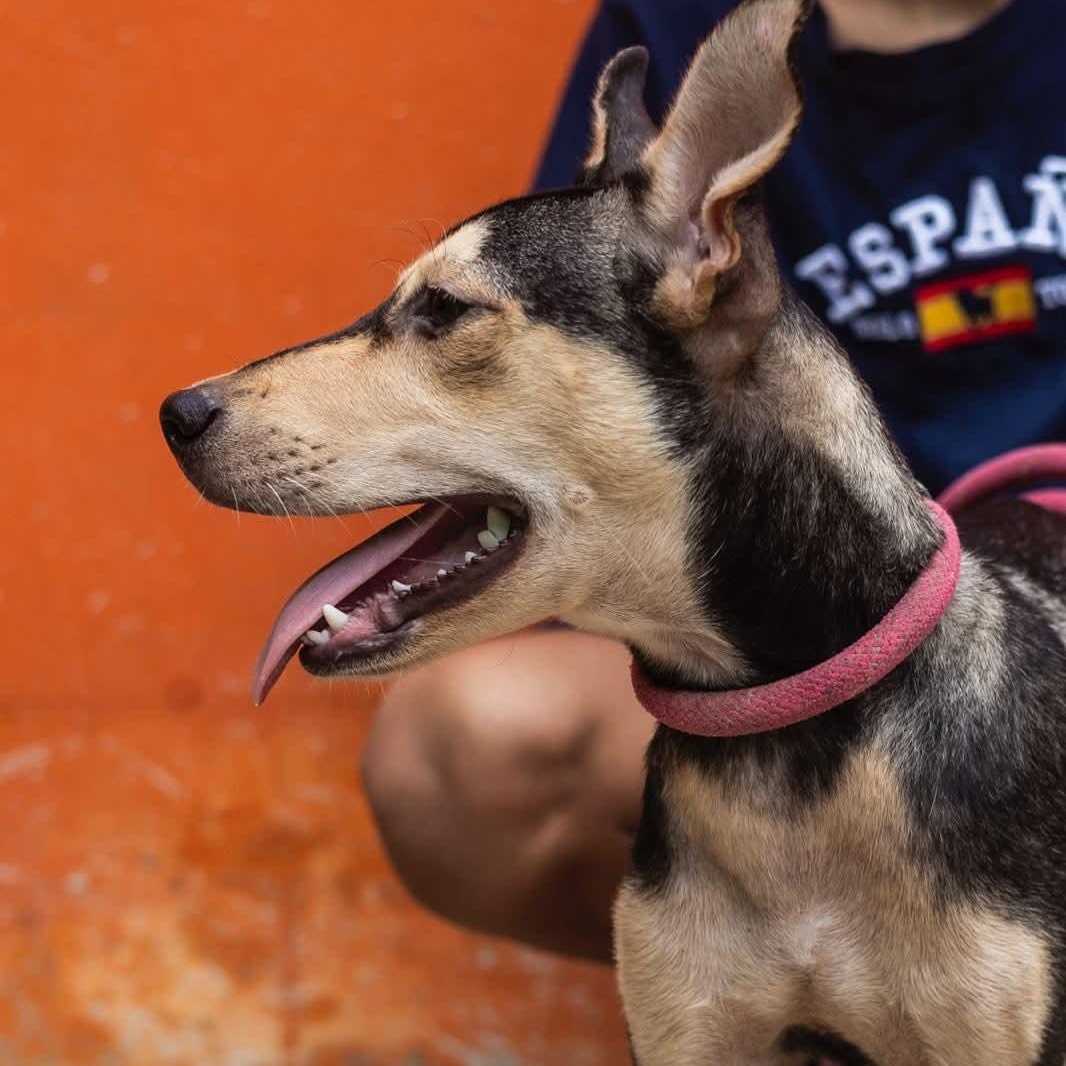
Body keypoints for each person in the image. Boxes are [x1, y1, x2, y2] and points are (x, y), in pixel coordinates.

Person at [362, 0, 1066, 962]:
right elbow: (562, 383)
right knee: (461, 746)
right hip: (807, 654)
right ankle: (816, 1016)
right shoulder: (681, 26)